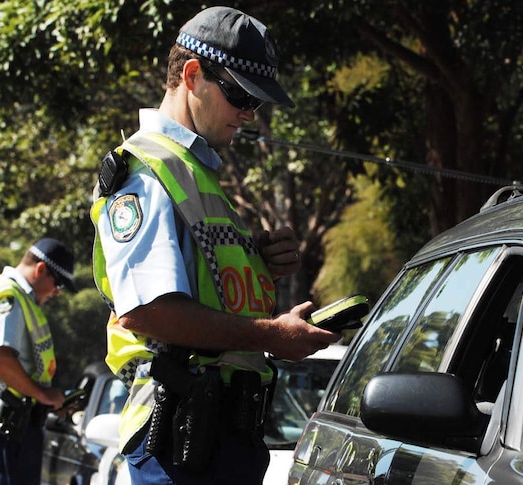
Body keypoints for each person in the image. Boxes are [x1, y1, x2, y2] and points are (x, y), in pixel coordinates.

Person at [90, 6, 341, 484]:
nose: (248, 114)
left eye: (257, 103)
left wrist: (258, 261)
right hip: (181, 439)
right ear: (191, 75)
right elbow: (148, 312)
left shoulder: (196, 169)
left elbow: (204, 283)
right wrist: (271, 335)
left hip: (220, 435)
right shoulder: (143, 173)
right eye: (240, 95)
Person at [0, 238, 77, 485]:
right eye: (58, 284)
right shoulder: (9, 296)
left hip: (10, 424)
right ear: (41, 269)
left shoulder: (19, 297)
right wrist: (44, 396)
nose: (57, 292)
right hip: (5, 425)